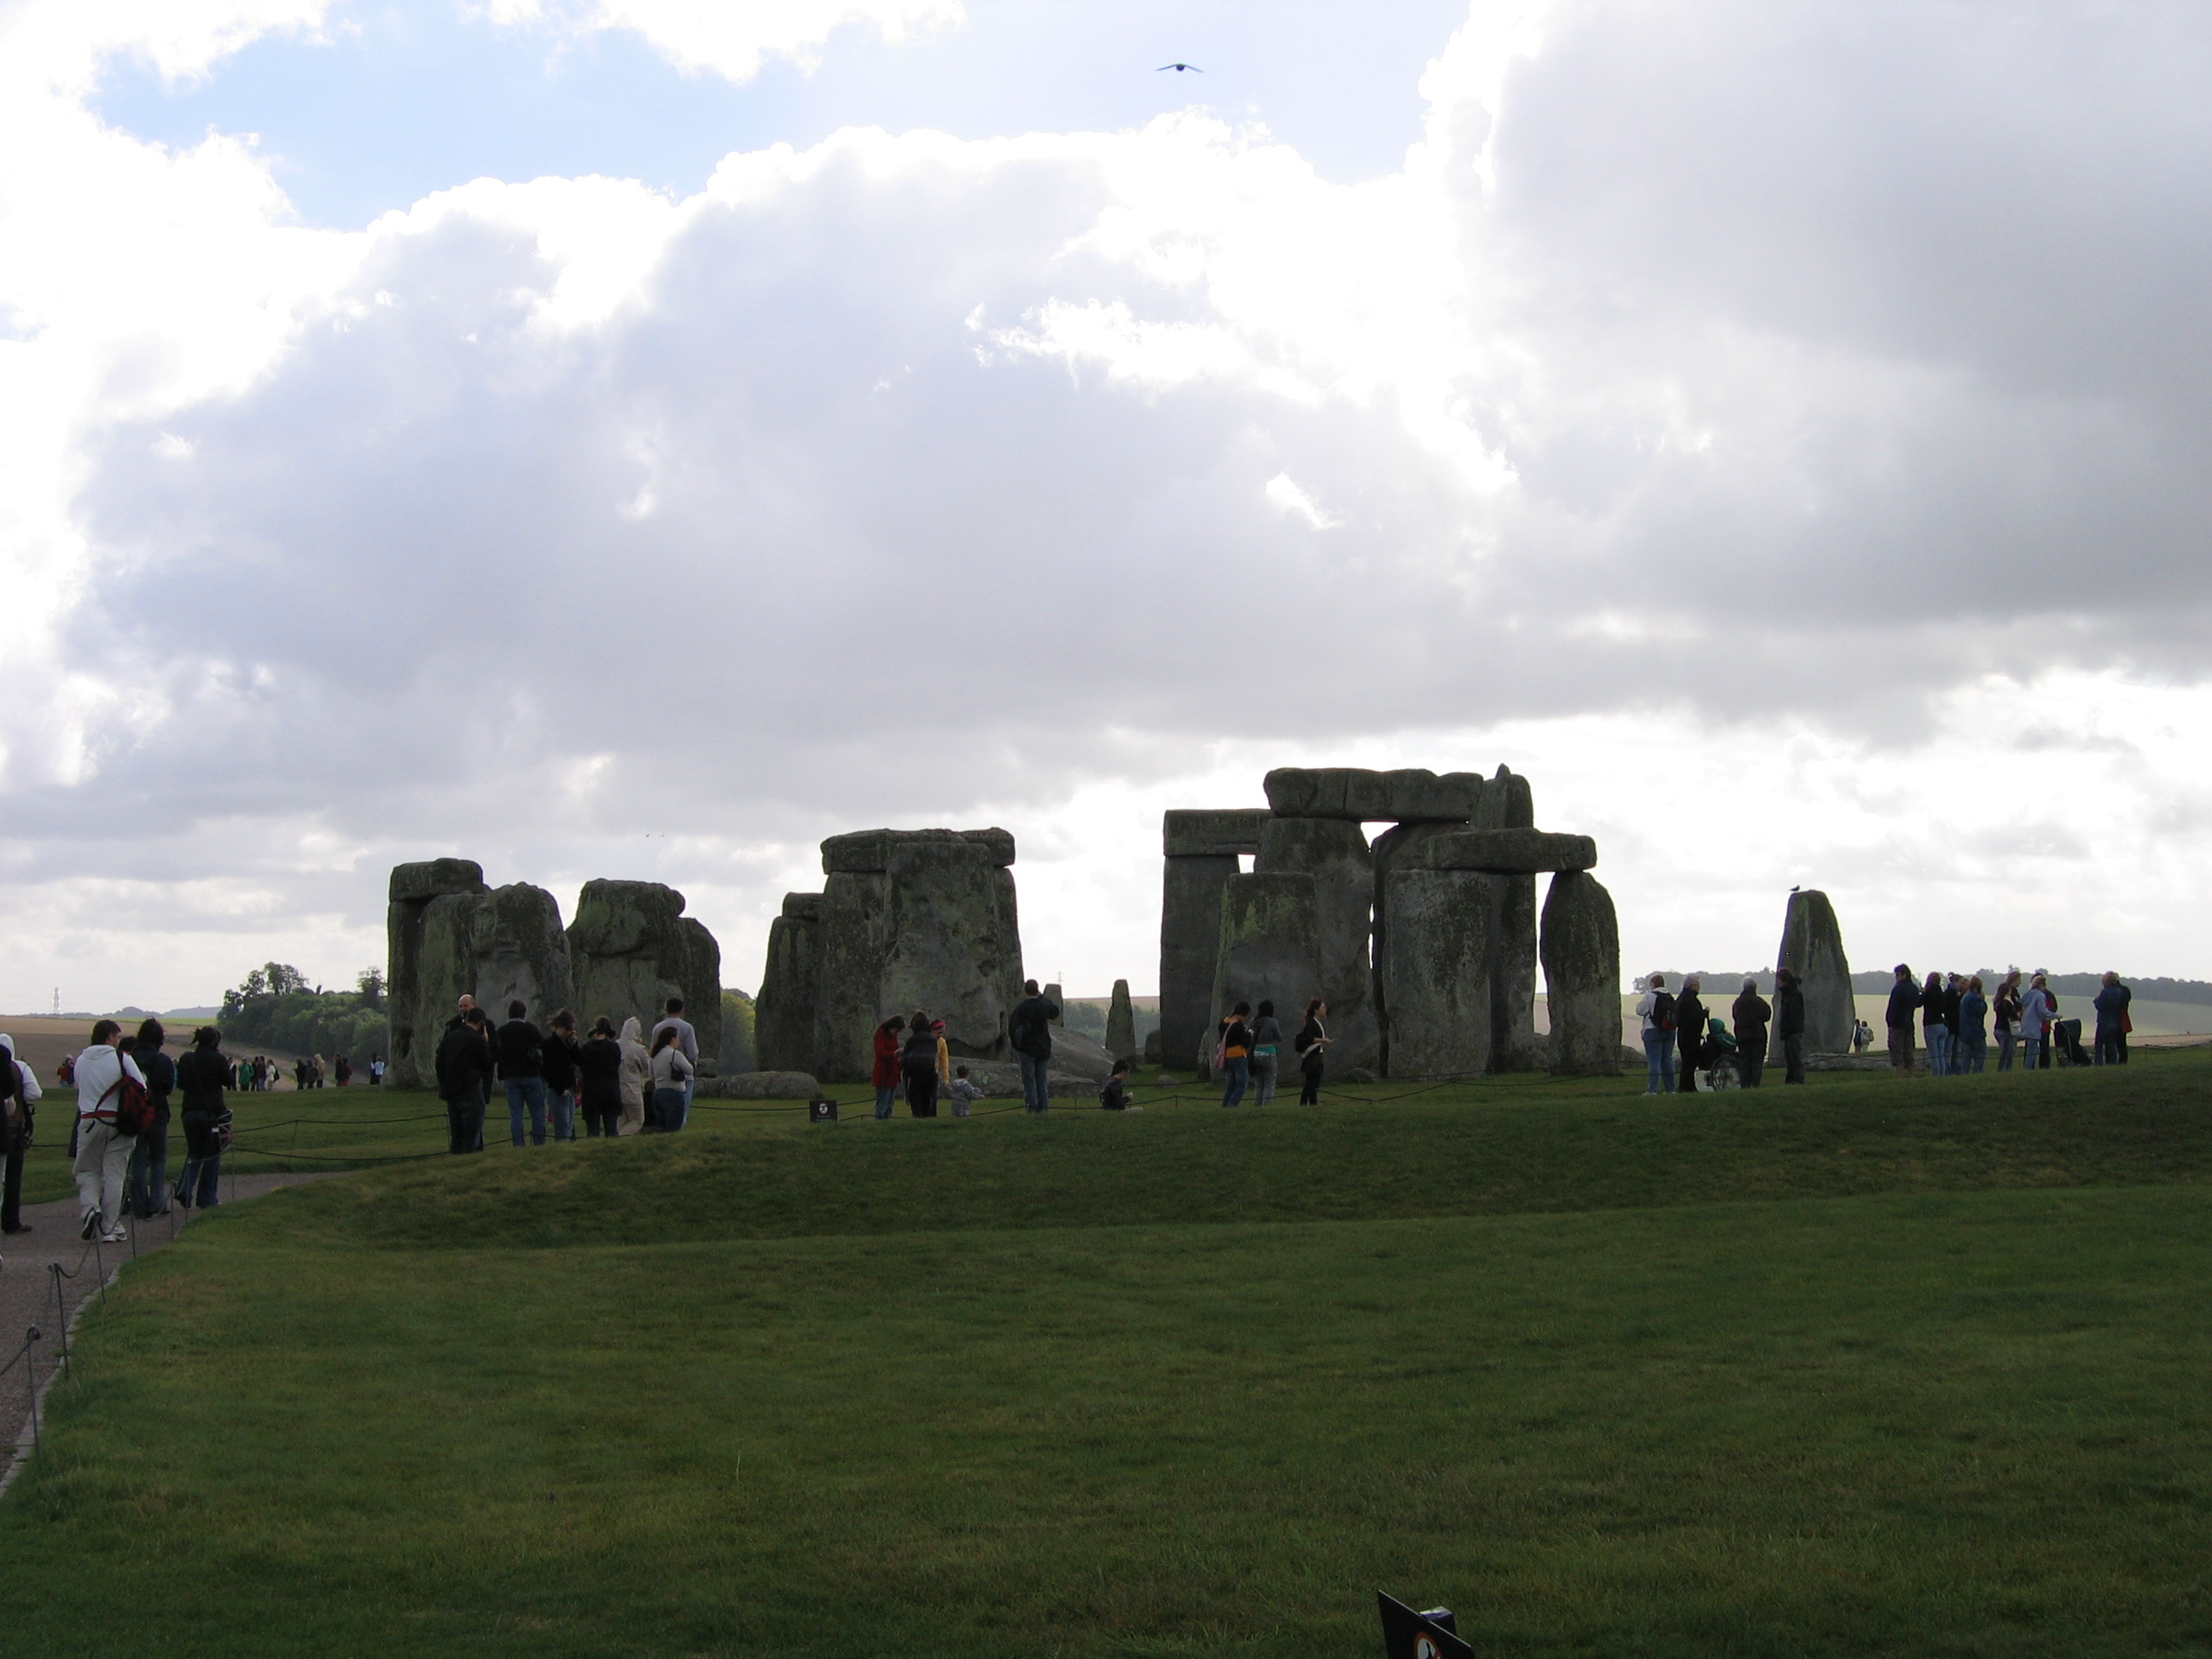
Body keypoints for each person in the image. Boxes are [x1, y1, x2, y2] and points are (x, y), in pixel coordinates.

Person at [72, 1019, 143, 1242]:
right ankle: (109, 1227)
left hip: (88, 1121)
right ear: (111, 1036)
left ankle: (90, 1209)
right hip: (118, 1123)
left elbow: (79, 1088)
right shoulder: (122, 1058)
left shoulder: (81, 1061)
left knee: (86, 1170)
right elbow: (142, 1086)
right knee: (114, 1174)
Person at [173, 1026, 230, 1205]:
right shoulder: (218, 1059)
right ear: (215, 1041)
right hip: (211, 1112)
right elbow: (229, 1081)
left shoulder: (186, 1059)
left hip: (189, 1110)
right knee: (213, 1155)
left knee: (194, 1152)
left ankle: (184, 1188)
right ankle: (207, 1198)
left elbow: (180, 1083)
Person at [124, 1016, 174, 1219]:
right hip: (157, 1112)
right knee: (158, 1158)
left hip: (134, 1114)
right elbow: (168, 1088)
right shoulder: (162, 1061)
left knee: (138, 1159)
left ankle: (139, 1203)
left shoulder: (129, 1059)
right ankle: (157, 1201)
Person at [435, 1007, 495, 1155]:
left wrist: (444, 1083)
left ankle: (455, 1162)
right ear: (482, 1023)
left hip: (451, 1090)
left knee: (457, 1135)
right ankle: (468, 1162)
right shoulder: (478, 1040)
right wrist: (486, 1042)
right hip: (470, 1089)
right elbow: (487, 1064)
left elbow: (439, 1064)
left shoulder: (450, 1038)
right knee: (471, 1135)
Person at [0, 1033, 42, 1234]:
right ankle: (10, 1221)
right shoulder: (20, 1067)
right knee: (12, 1177)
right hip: (14, 1127)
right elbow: (36, 1093)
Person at [497, 999, 548, 1147]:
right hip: (531, 1074)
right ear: (524, 1013)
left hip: (512, 1076)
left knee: (516, 1115)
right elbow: (543, 1046)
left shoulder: (502, 1031)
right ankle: (539, 1143)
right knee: (538, 1113)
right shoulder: (531, 1029)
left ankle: (518, 1144)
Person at [1009, 980, 1060, 1114]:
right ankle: (1043, 1109)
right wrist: (1042, 997)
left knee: (1030, 1081)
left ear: (1025, 991)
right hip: (1043, 1047)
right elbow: (1055, 1012)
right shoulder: (1043, 1006)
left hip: (1027, 1049)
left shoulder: (1021, 1008)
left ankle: (1032, 1108)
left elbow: (1013, 1029)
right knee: (1042, 1080)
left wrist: (1018, 1046)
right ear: (1037, 990)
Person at [650, 997, 699, 1126]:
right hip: (682, 1075)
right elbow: (693, 1053)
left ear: (666, 1010)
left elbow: (654, 1051)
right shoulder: (687, 1027)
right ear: (682, 1010)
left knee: (662, 1117)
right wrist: (691, 1064)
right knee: (680, 1113)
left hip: (661, 1074)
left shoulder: (657, 1028)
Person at [576, 1016, 625, 1138]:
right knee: (611, 1130)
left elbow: (582, 1068)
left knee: (592, 1131)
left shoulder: (586, 1048)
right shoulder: (614, 1048)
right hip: (610, 1091)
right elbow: (616, 1065)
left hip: (591, 1092)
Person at [541, 1010, 581, 1142]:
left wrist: (574, 1045)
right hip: (558, 1092)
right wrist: (560, 1089)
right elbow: (547, 1070)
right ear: (562, 1027)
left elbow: (579, 1060)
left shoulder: (568, 1044)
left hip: (570, 1090)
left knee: (569, 1128)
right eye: (569, 1029)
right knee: (563, 1129)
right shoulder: (549, 1044)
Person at [1633, 974, 1675, 1095]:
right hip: (1670, 1030)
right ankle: (1670, 1089)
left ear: (1652, 984)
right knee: (1667, 1060)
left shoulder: (1650, 996)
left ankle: (1652, 1089)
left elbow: (1639, 1011)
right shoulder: (1670, 996)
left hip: (1652, 1030)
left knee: (1654, 1061)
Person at [648, 1025, 693, 1132]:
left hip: (658, 1093)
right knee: (673, 1130)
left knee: (661, 1128)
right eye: (677, 1038)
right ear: (673, 1039)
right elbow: (689, 1070)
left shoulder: (654, 1055)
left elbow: (651, 1076)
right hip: (674, 1093)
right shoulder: (675, 1055)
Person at [1731, 980, 1771, 1088]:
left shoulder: (1738, 1002)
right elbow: (1767, 1015)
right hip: (1758, 1036)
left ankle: (1745, 1085)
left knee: (1745, 1063)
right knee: (1757, 1062)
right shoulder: (1759, 1001)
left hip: (1742, 1036)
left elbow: (1735, 1016)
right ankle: (1755, 1085)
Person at [901, 1012, 940, 1117]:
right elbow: (933, 1055)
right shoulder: (932, 1040)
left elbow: (905, 1059)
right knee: (928, 1101)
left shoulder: (911, 1040)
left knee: (916, 1101)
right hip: (930, 1074)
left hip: (914, 1075)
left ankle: (918, 1117)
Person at [617, 1016, 652, 1135]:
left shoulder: (615, 1045)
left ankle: (619, 1144)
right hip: (632, 1089)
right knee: (637, 1120)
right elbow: (648, 1065)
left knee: (622, 1121)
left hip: (617, 1088)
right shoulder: (637, 1049)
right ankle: (619, 1138)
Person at [1773, 968, 1807, 1085]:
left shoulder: (1793, 994)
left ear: (1783, 980)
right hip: (1789, 1031)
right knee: (1789, 1058)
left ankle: (1798, 1079)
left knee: (1794, 1057)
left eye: (1779, 980)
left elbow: (1794, 1014)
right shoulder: (1788, 994)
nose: (1778, 983)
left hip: (1793, 1031)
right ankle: (1791, 1079)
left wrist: (1788, 1027)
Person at [1885, 964, 1921, 1077]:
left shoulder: (1898, 988)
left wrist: (1890, 1022)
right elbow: (1918, 1003)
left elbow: (1893, 1007)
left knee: (1897, 1051)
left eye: (1898, 975)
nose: (1896, 977)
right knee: (1909, 1051)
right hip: (1909, 1023)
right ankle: (1912, 1075)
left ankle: (1900, 1076)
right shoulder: (1914, 989)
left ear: (1904, 975)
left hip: (1897, 1024)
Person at [1674, 975, 1707, 1093]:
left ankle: (1687, 1086)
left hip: (1683, 1034)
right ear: (1692, 986)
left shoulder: (1682, 998)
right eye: (1697, 984)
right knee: (1690, 1062)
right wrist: (1704, 1013)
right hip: (1690, 1036)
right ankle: (1686, 1087)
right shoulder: (1690, 1000)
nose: (1699, 987)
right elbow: (1694, 1017)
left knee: (1687, 1062)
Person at [1217, 1002, 1254, 1108]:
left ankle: (1225, 1105)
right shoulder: (1238, 1025)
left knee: (1231, 1085)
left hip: (1227, 1056)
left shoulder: (1223, 1023)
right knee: (1241, 1085)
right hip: (1238, 1055)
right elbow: (1246, 1043)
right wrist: (1249, 1033)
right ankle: (1232, 1105)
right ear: (1244, 1014)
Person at [2093, 971, 2132, 1066]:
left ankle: (2099, 1064)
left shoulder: (2105, 992)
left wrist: (2096, 1000)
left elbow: (2100, 1005)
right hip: (2115, 1020)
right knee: (2111, 1045)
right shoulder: (2120, 992)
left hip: (2104, 1020)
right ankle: (2112, 1063)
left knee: (2099, 1045)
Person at [1294, 998, 1328, 1105]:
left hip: (1317, 1055)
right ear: (1316, 1010)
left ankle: (1313, 1103)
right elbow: (1308, 1037)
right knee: (1311, 1082)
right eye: (1322, 1007)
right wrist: (1322, 1040)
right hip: (1312, 1056)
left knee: (1315, 1082)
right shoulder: (1311, 1023)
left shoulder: (1317, 1023)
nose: (1324, 1010)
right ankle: (1304, 1103)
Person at [1249, 999, 1283, 1107]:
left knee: (1259, 1084)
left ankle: (1257, 1105)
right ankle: (1267, 1106)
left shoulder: (1253, 1022)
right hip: (1268, 1054)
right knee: (1269, 1083)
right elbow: (1279, 1038)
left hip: (1255, 1054)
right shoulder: (1272, 1022)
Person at [870, 1016, 905, 1120]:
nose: (897, 1033)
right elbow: (880, 1053)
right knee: (882, 1104)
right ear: (891, 1027)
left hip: (893, 1074)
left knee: (890, 1105)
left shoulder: (893, 1037)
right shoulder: (881, 1035)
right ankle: (879, 1122)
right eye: (897, 1030)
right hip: (883, 1073)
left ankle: (886, 1122)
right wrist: (894, 1054)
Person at [1921, 971, 1953, 1078]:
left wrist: (1922, 993)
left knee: (1934, 1056)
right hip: (1942, 1025)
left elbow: (1918, 1003)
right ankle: (1942, 1075)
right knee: (1941, 1055)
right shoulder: (1941, 993)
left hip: (1931, 1024)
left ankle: (1935, 1076)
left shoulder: (1928, 992)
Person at [2019, 975, 2053, 1071]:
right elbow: (2043, 1011)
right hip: (2036, 1026)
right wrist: (2054, 1016)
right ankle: (2029, 1069)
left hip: (2026, 1024)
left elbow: (2020, 1003)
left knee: (2031, 1048)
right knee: (2033, 1050)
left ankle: (2029, 1067)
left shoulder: (2028, 994)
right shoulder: (2041, 995)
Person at [1957, 975, 1989, 1074]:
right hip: (1975, 1030)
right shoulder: (1975, 998)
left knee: (1966, 1055)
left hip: (1965, 1031)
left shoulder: (1965, 997)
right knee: (1981, 1052)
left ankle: (1964, 1073)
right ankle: (1977, 1071)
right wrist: (1982, 1001)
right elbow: (1981, 1010)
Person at [1994, 971, 2023, 1072]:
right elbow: (2011, 1014)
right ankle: (2004, 1070)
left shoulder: (1998, 1002)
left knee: (2006, 1052)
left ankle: (2004, 1070)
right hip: (2007, 1028)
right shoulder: (2006, 1002)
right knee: (2008, 1052)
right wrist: (2018, 1014)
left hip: (1999, 1028)